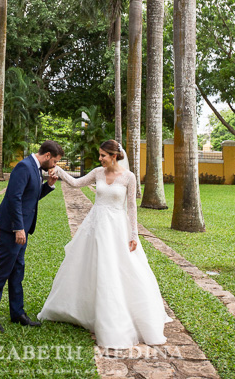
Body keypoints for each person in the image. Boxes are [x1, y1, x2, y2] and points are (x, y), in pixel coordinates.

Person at [37, 139, 172, 349]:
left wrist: (134, 235)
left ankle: (118, 315)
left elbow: (131, 208)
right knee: (89, 267)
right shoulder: (98, 173)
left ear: (115, 156)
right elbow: (76, 183)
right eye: (99, 155)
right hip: (95, 225)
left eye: (103, 155)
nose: (100, 159)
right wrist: (57, 170)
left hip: (117, 228)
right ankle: (84, 310)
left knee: (117, 269)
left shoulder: (129, 177)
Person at [0, 140, 63, 333]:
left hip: (22, 229)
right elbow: (14, 198)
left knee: (18, 271)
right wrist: (18, 228)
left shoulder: (36, 169)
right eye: (54, 161)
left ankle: (17, 313)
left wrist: (49, 185)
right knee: (2, 271)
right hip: (10, 229)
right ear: (47, 156)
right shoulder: (23, 167)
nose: (54, 166)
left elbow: (31, 196)